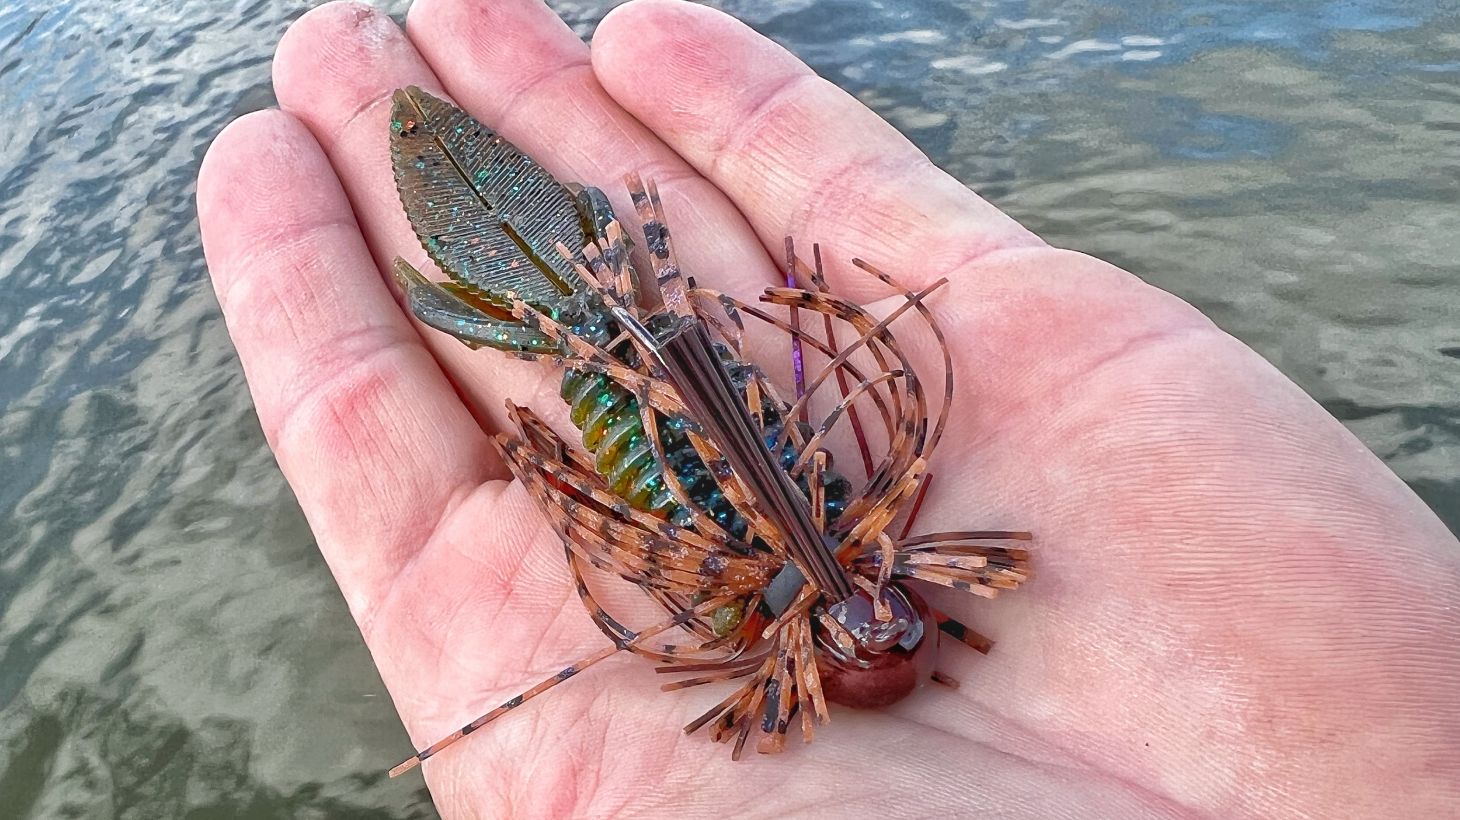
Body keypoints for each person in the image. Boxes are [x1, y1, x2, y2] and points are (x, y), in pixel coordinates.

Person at [196, 1, 1460, 816]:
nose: (882, 615)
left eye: (875, 631)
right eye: (895, 619)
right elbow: (875, 393)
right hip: (635, 340)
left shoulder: (780, 614)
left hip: (626, 370)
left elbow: (627, 568)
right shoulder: (863, 543)